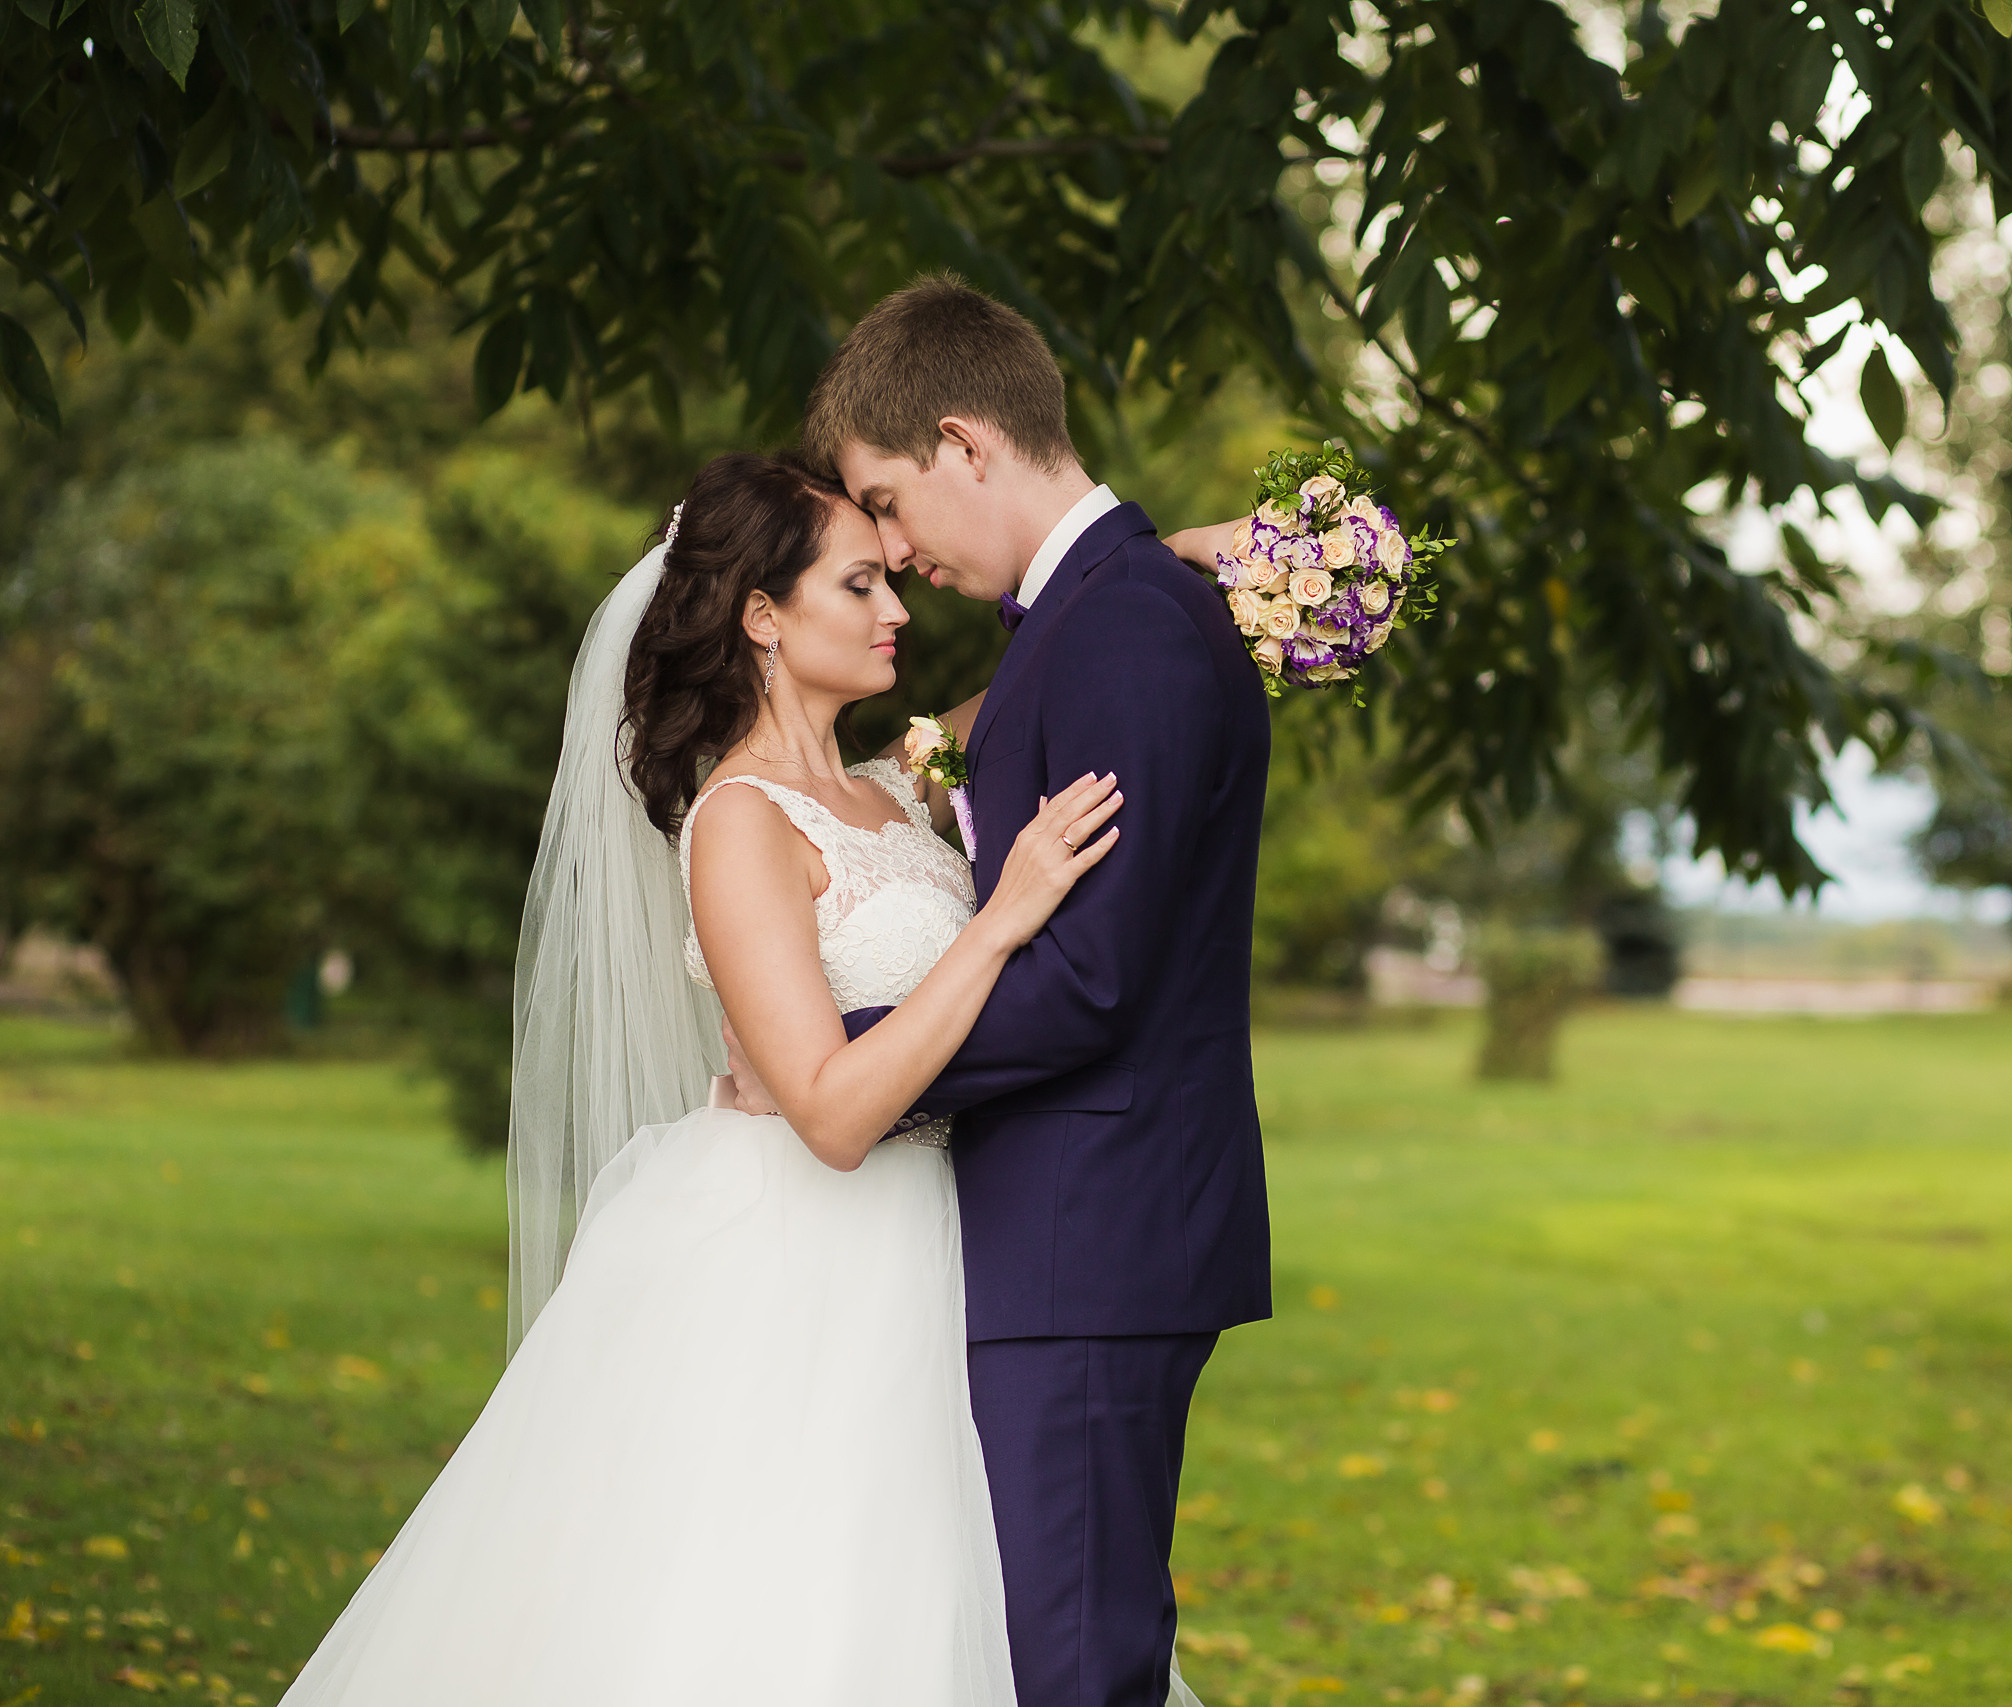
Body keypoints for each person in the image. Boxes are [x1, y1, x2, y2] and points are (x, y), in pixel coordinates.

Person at [276, 450, 1227, 1704]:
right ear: (764, 617)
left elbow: (1068, 647)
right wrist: (999, 923)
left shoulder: (895, 787)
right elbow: (827, 1111)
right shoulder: (738, 824)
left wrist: (1190, 561)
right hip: (805, 1259)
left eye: (892, 580)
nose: (898, 610)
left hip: (944, 1245)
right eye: (860, 585)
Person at [736, 272, 1275, 1707]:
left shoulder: (1124, 625)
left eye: (889, 503)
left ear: (965, 443)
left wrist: (836, 1061)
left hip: (1089, 1233)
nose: (896, 552)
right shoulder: (1098, 614)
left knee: (1072, 1672)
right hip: (1070, 1230)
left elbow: (1090, 981)